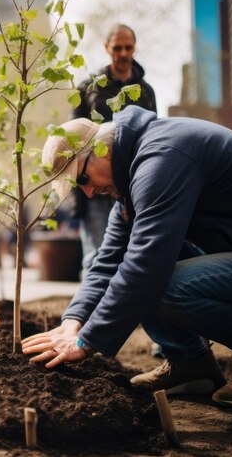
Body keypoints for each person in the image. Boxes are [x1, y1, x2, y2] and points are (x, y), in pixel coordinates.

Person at [23, 106, 232, 408]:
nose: (87, 193)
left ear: (100, 149)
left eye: (83, 178)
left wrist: (87, 342)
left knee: (163, 285)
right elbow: (107, 263)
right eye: (79, 186)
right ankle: (189, 363)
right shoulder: (130, 184)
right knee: (141, 272)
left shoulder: (162, 159)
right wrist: (73, 322)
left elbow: (146, 266)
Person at [70, 24, 157, 278]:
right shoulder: (88, 88)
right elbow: (73, 144)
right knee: (95, 258)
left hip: (132, 187)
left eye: (128, 47)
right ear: (106, 48)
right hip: (95, 194)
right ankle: (89, 315)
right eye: (117, 47)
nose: (123, 52)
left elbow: (153, 137)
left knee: (133, 255)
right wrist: (78, 199)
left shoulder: (146, 91)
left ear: (134, 48)